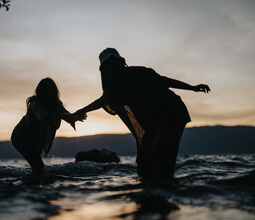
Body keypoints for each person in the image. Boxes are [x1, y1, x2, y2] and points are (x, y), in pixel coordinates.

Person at [75, 48, 210, 181]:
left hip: (173, 112)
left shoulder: (140, 72)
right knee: (144, 159)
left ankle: (163, 187)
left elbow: (165, 81)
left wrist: (192, 88)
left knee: (160, 151)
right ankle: (150, 190)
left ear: (121, 63)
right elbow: (103, 100)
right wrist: (82, 111)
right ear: (104, 70)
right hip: (154, 123)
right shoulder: (113, 87)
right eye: (107, 65)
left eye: (114, 62)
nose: (112, 66)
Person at [11, 78, 84, 176]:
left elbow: (67, 116)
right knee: (38, 166)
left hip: (37, 139)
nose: (50, 91)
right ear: (41, 92)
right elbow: (44, 117)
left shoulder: (57, 105)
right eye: (47, 89)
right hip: (21, 137)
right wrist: (63, 116)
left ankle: (33, 186)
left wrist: (77, 117)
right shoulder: (34, 104)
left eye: (51, 89)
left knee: (37, 167)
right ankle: (30, 188)